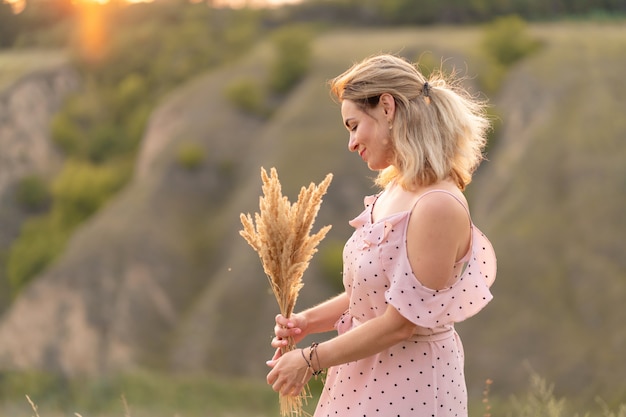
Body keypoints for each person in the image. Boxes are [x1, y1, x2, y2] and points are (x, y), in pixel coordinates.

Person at [266, 54, 497, 417]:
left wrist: (311, 360)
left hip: (410, 385)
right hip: (362, 375)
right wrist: (308, 323)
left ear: (386, 107)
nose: (351, 142)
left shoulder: (436, 204)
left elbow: (401, 322)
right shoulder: (394, 191)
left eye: (354, 125)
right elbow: (371, 293)